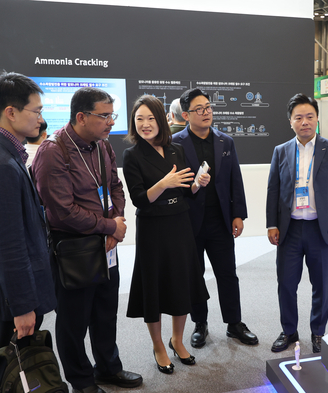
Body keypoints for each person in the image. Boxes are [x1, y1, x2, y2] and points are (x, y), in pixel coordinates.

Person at [32, 87, 142, 393]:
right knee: (73, 321)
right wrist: (108, 226)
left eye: (112, 115)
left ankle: (108, 368)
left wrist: (115, 222)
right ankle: (82, 381)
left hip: (106, 245)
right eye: (104, 116)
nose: (110, 122)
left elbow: (116, 186)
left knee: (105, 312)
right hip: (75, 248)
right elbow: (61, 212)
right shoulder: (54, 151)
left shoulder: (102, 145)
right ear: (81, 116)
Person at [123, 95, 210, 374]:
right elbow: (139, 199)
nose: (145, 124)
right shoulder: (132, 155)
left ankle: (177, 340)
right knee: (154, 287)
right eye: (139, 119)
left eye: (150, 118)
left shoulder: (176, 150)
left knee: (181, 281)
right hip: (153, 227)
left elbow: (186, 190)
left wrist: (197, 183)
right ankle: (159, 345)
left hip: (179, 222)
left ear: (161, 120)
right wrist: (164, 182)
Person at [172, 88, 257, 349]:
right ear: (186, 115)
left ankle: (234, 323)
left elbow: (235, 180)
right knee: (194, 275)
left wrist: (238, 215)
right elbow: (174, 184)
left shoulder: (225, 141)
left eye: (208, 107)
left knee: (227, 274)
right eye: (199, 109)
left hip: (220, 220)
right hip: (189, 222)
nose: (206, 112)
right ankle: (200, 324)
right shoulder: (175, 143)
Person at [266, 93, 328, 353]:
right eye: (299, 117)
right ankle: (289, 331)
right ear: (290, 122)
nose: (305, 122)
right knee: (286, 284)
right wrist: (271, 224)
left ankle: (318, 332)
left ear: (317, 119)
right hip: (290, 230)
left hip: (320, 229)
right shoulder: (281, 151)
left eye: (310, 116)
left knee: (321, 284)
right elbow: (273, 190)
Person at [0, 71, 56, 349]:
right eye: (36, 111)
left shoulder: (11, 156)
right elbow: (9, 243)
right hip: (12, 303)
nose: (40, 119)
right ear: (11, 112)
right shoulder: (3, 166)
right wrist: (22, 307)